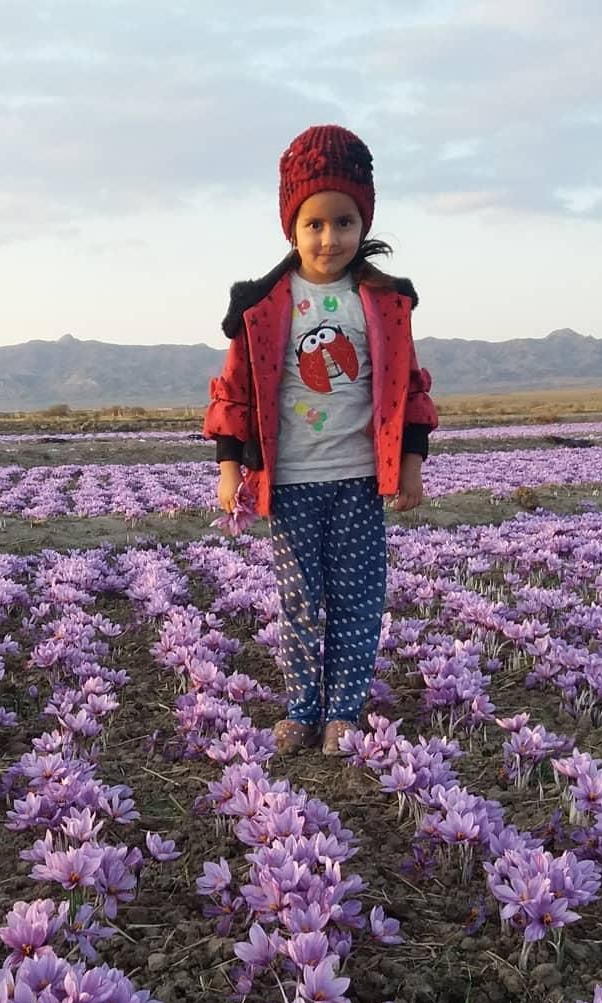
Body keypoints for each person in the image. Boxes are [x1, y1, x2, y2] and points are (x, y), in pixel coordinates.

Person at [202, 124, 438, 756]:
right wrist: (230, 472)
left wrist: (410, 465)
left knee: (360, 598)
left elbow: (410, 389)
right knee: (300, 601)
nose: (329, 238)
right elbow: (234, 394)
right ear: (291, 227)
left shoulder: (385, 303)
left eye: (344, 222)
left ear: (363, 226)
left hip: (359, 478)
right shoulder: (262, 304)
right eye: (314, 224)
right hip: (292, 484)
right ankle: (304, 707)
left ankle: (343, 712)